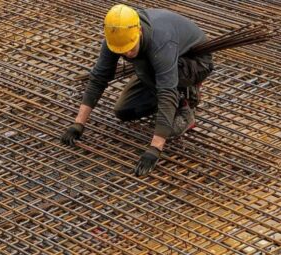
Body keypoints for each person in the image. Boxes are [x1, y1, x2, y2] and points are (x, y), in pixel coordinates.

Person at [60, 4, 214, 176]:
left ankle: (185, 102)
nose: (127, 54)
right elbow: (98, 77)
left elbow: (166, 90)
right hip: (155, 65)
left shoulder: (160, 41)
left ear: (139, 31)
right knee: (124, 111)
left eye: (130, 48)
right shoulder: (116, 37)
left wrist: (155, 148)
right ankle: (166, 96)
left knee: (147, 68)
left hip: (194, 62)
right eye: (122, 51)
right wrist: (78, 124)